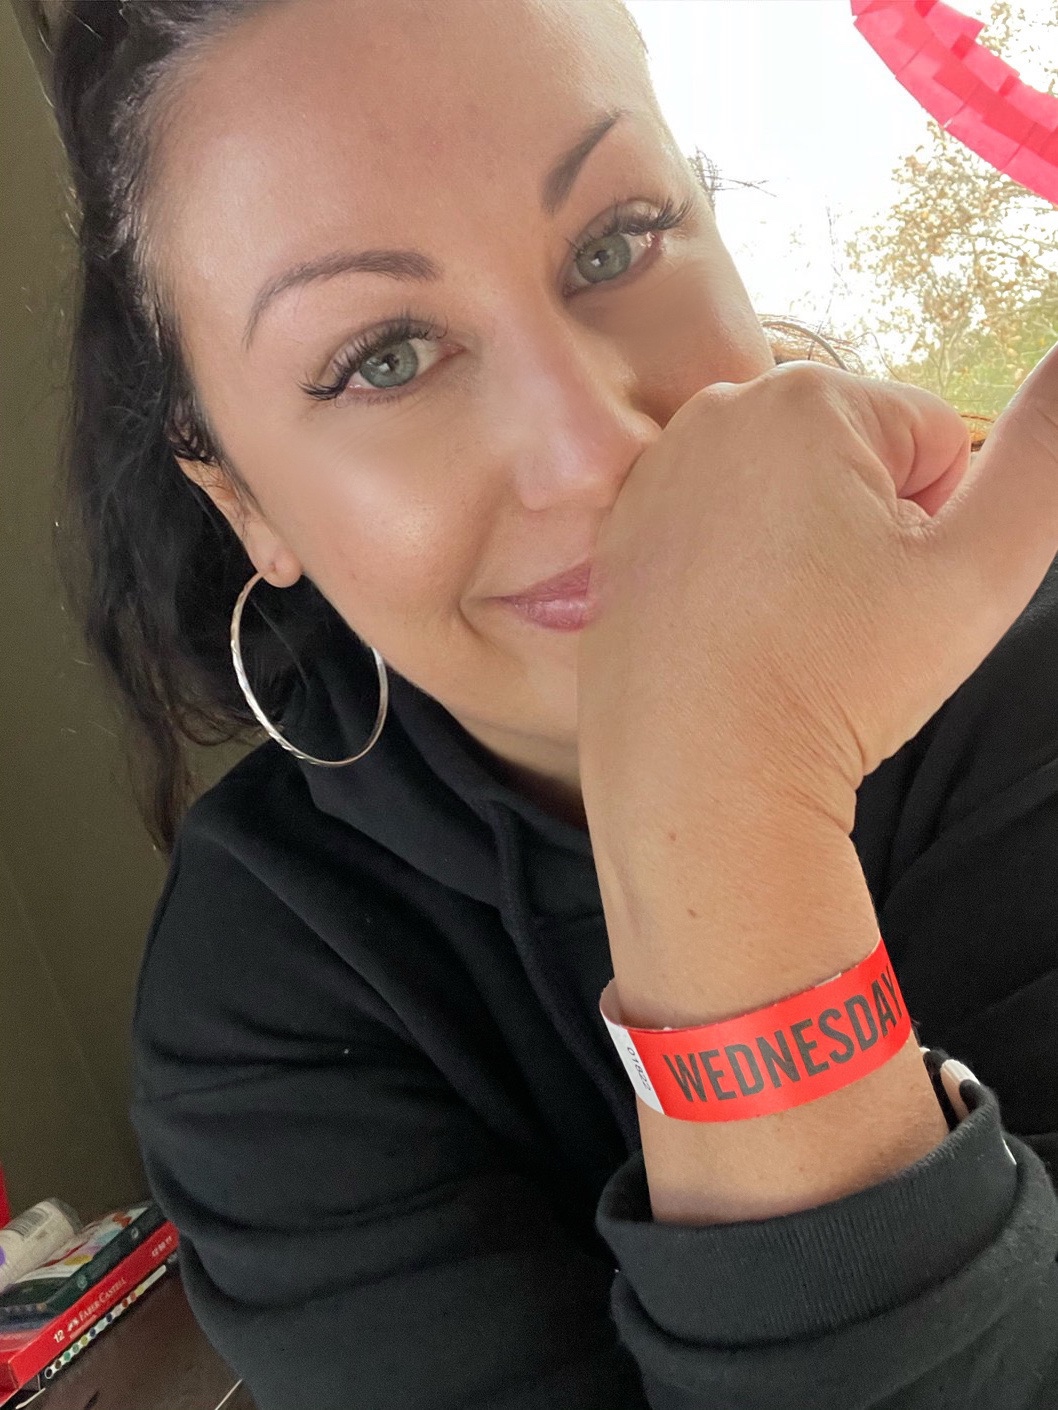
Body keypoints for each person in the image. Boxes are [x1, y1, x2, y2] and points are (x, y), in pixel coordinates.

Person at [43, 0, 1058, 1405]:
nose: (594, 451)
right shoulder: (259, 996)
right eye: (382, 356)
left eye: (615, 242)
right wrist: (724, 801)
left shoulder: (1023, 670)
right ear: (241, 498)